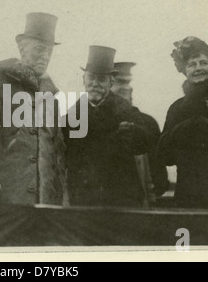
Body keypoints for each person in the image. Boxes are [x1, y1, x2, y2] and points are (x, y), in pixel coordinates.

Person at [0, 12, 68, 205]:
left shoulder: (50, 97)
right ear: (21, 48)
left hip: (42, 205)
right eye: (39, 49)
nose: (45, 56)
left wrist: (59, 199)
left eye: (49, 51)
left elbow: (56, 153)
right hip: (1, 199)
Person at [63, 46, 150, 207]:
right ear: (84, 79)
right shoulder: (72, 114)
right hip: (84, 200)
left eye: (102, 79)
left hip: (121, 200)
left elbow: (145, 143)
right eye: (91, 78)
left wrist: (133, 131)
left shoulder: (125, 110)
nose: (95, 84)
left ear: (110, 82)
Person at [157, 36, 208, 209]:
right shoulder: (177, 108)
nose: (198, 68)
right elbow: (164, 156)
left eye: (203, 62)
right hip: (190, 196)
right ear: (185, 71)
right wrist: (182, 129)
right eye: (192, 65)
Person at [111, 62, 169, 197]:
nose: (127, 88)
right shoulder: (92, 120)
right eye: (120, 82)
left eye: (128, 82)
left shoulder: (148, 122)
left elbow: (160, 179)